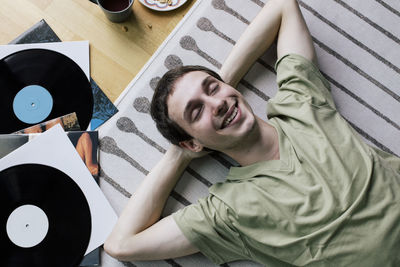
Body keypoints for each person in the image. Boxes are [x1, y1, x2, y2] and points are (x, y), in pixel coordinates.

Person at [104, 0, 400, 265]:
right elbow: (121, 244)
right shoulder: (228, 211)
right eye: (196, 111)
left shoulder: (298, 103)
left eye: (213, 89)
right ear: (191, 142)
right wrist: (179, 155)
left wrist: (222, 89)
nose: (216, 104)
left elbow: (283, 7)